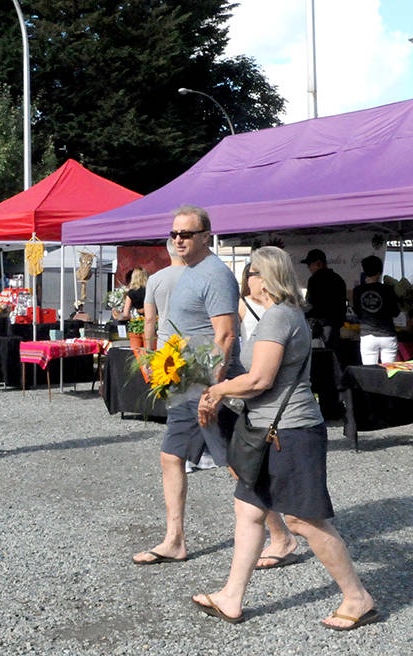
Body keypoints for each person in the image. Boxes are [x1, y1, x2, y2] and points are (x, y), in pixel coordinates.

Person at [194, 246, 378, 630]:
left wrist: (219, 390)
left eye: (253, 273)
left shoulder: (278, 316)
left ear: (268, 277)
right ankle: (231, 596)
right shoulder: (284, 314)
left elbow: (260, 379)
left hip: (289, 432)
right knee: (248, 511)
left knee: (303, 520)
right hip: (267, 428)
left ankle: (357, 597)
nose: (248, 280)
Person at [131, 205, 245, 565]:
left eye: (186, 234)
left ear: (205, 236)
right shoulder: (189, 272)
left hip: (208, 385)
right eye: (174, 234)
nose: (178, 239)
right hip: (185, 384)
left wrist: (215, 389)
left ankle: (281, 535)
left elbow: (225, 336)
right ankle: (174, 539)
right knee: (171, 457)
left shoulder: (215, 274)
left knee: (234, 462)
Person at [354, 255, 399, 365]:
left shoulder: (357, 290)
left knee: (370, 372)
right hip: (387, 334)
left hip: (367, 335)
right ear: (380, 271)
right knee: (390, 371)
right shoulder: (388, 289)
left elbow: (357, 312)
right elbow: (395, 311)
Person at [301, 248, 347, 346]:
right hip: (335, 325)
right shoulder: (338, 279)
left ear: (319, 263)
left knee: (319, 355)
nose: (308, 268)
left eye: (309, 264)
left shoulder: (314, 280)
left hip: (320, 326)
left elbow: (310, 303)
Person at [143, 239, 184, 350]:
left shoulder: (154, 279)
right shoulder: (199, 276)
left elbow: (149, 319)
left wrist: (148, 350)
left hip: (165, 344)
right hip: (192, 344)